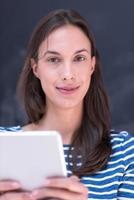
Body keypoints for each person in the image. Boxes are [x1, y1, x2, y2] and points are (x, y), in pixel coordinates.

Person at [0, 9, 134, 200]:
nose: (68, 74)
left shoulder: (124, 152)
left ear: (92, 65)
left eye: (79, 58)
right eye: (54, 59)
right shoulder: (3, 145)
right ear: (36, 68)